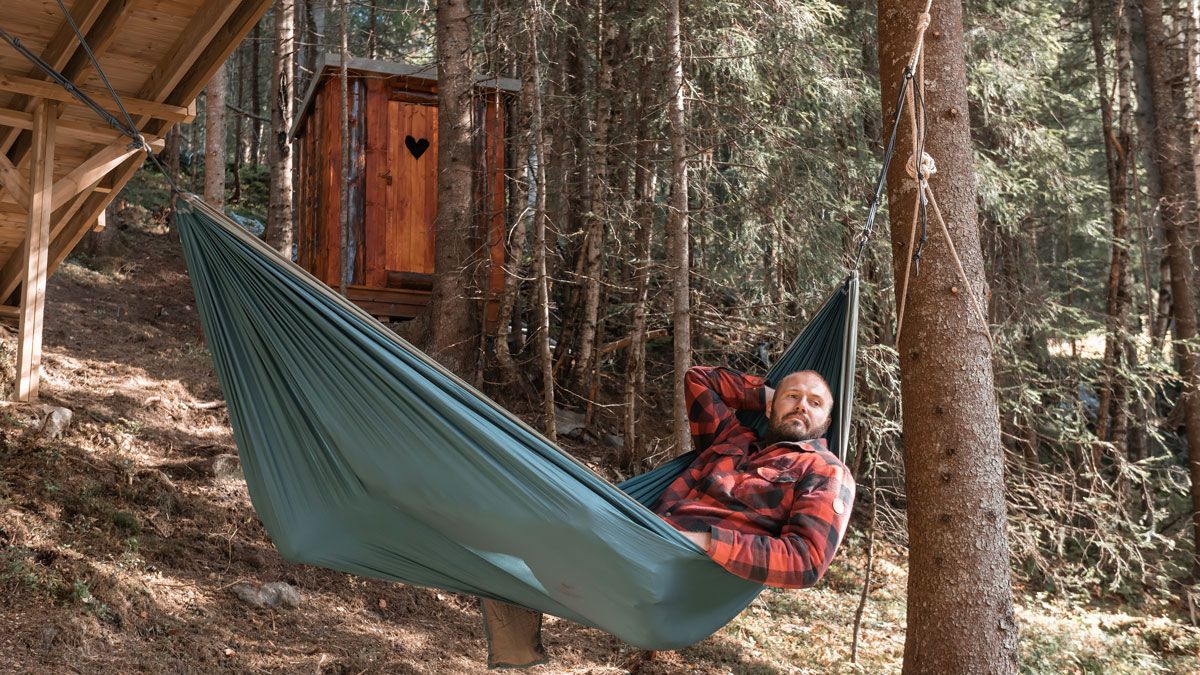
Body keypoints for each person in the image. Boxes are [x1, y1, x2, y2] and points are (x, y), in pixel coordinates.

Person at [653, 365, 856, 588]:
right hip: (646, 534)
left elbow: (806, 561)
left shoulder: (825, 470)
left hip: (693, 571)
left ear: (826, 423)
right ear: (768, 408)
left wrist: (700, 540)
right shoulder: (731, 438)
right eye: (792, 396)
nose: (801, 406)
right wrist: (768, 396)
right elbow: (699, 379)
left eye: (815, 403)